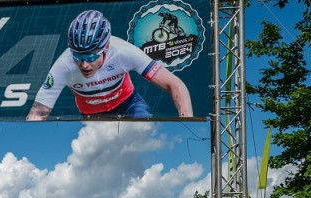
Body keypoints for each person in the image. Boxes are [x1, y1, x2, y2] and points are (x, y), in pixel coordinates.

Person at [26, 10, 192, 121]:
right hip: (92, 115)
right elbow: (39, 112)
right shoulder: (63, 64)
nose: (84, 64)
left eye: (91, 56)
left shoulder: (123, 51)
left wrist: (188, 123)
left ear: (106, 47)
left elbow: (175, 84)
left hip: (129, 105)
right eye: (77, 56)